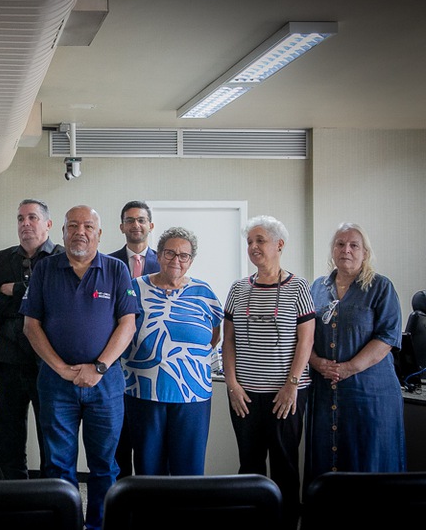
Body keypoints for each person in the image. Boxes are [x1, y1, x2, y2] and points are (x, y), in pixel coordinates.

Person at [20, 205, 138, 530]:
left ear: (99, 233)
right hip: (57, 384)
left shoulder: (116, 270)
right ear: (62, 232)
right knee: (58, 465)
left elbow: (127, 324)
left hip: (106, 384)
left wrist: (98, 367)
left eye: (88, 226)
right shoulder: (44, 270)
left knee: (105, 465)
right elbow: (31, 326)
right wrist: (60, 369)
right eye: (73, 226)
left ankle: (99, 526)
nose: (80, 232)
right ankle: (65, 525)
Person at [221, 215, 315, 530]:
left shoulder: (299, 287)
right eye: (250, 241)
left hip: (286, 395)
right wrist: (232, 385)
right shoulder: (237, 288)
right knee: (249, 465)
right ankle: (252, 524)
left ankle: (286, 524)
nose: (253, 247)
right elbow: (228, 340)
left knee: (285, 466)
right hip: (245, 395)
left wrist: (291, 386)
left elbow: (307, 340)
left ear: (279, 245)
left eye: (260, 240)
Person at [303, 222, 405, 490]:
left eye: (353, 245)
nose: (345, 250)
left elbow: (386, 338)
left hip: (370, 394)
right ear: (332, 250)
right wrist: (315, 361)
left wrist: (349, 368)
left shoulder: (381, 287)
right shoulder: (316, 288)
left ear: (365, 253)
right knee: (327, 460)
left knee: (369, 459)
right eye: (340, 244)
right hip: (325, 392)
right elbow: (303, 333)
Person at [122, 226, 223, 476]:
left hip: (193, 395)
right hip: (143, 391)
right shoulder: (134, 287)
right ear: (158, 255)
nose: (176, 260)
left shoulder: (204, 292)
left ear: (190, 260)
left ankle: (185, 517)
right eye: (169, 253)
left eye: (183, 255)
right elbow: (119, 328)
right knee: (148, 467)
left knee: (188, 469)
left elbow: (216, 333)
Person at [0, 198, 64, 480]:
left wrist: (17, 289)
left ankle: (48, 493)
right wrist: (32, 297)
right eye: (20, 219)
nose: (25, 224)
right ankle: (14, 493)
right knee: (8, 435)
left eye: (32, 218)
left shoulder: (61, 259)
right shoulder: (1, 259)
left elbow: (58, 304)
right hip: (7, 362)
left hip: (48, 363)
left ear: (48, 224)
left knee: (51, 434)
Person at [108, 199, 160, 479]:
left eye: (141, 220)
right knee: (118, 439)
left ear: (150, 225)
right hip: (115, 361)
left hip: (150, 363)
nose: (135, 225)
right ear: (121, 226)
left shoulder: (165, 263)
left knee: (148, 443)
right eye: (130, 220)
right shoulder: (106, 263)